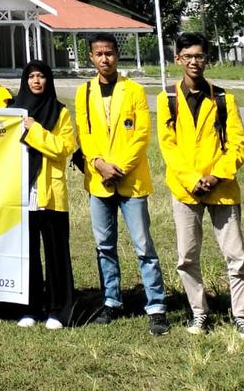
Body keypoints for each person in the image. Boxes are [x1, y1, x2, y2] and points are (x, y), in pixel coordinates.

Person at [156, 33, 244, 339]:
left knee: (235, 256)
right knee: (187, 256)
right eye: (187, 56)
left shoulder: (224, 99)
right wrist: (191, 180)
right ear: (178, 60)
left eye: (199, 56)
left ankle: (241, 316)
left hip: (222, 188)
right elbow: (168, 147)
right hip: (186, 190)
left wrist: (216, 176)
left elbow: (238, 145)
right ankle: (199, 313)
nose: (194, 62)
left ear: (207, 60)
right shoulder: (167, 99)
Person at [74, 34, 169, 335]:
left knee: (144, 247)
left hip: (131, 180)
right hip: (99, 180)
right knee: (104, 246)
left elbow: (141, 134)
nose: (105, 59)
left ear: (118, 55)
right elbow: (84, 134)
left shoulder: (135, 90)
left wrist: (120, 168)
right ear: (90, 57)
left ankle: (156, 305)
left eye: (110, 54)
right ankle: (111, 301)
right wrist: (99, 165)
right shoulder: (83, 92)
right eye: (99, 54)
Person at [11, 60, 75, 330]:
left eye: (42, 77)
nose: (36, 81)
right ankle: (30, 307)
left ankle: (59, 309)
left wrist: (34, 129)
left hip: (50, 194)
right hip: (21, 193)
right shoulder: (13, 112)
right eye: (32, 76)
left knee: (56, 253)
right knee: (27, 254)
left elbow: (63, 148)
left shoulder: (60, 113)